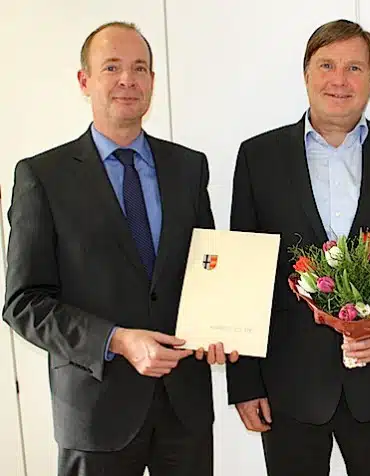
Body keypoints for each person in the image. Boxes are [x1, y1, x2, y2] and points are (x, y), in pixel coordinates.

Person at [2, 21, 237, 476]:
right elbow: (23, 303)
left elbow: (204, 271)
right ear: (84, 80)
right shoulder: (42, 177)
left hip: (183, 411)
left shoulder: (188, 168)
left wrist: (220, 326)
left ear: (152, 81)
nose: (128, 79)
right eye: (112, 67)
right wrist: (116, 340)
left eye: (140, 68)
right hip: (95, 414)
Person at [225, 19, 370, 476]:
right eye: (326, 64)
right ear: (306, 74)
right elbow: (242, 275)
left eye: (354, 67)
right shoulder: (258, 157)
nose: (339, 79)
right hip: (288, 389)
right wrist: (243, 382)